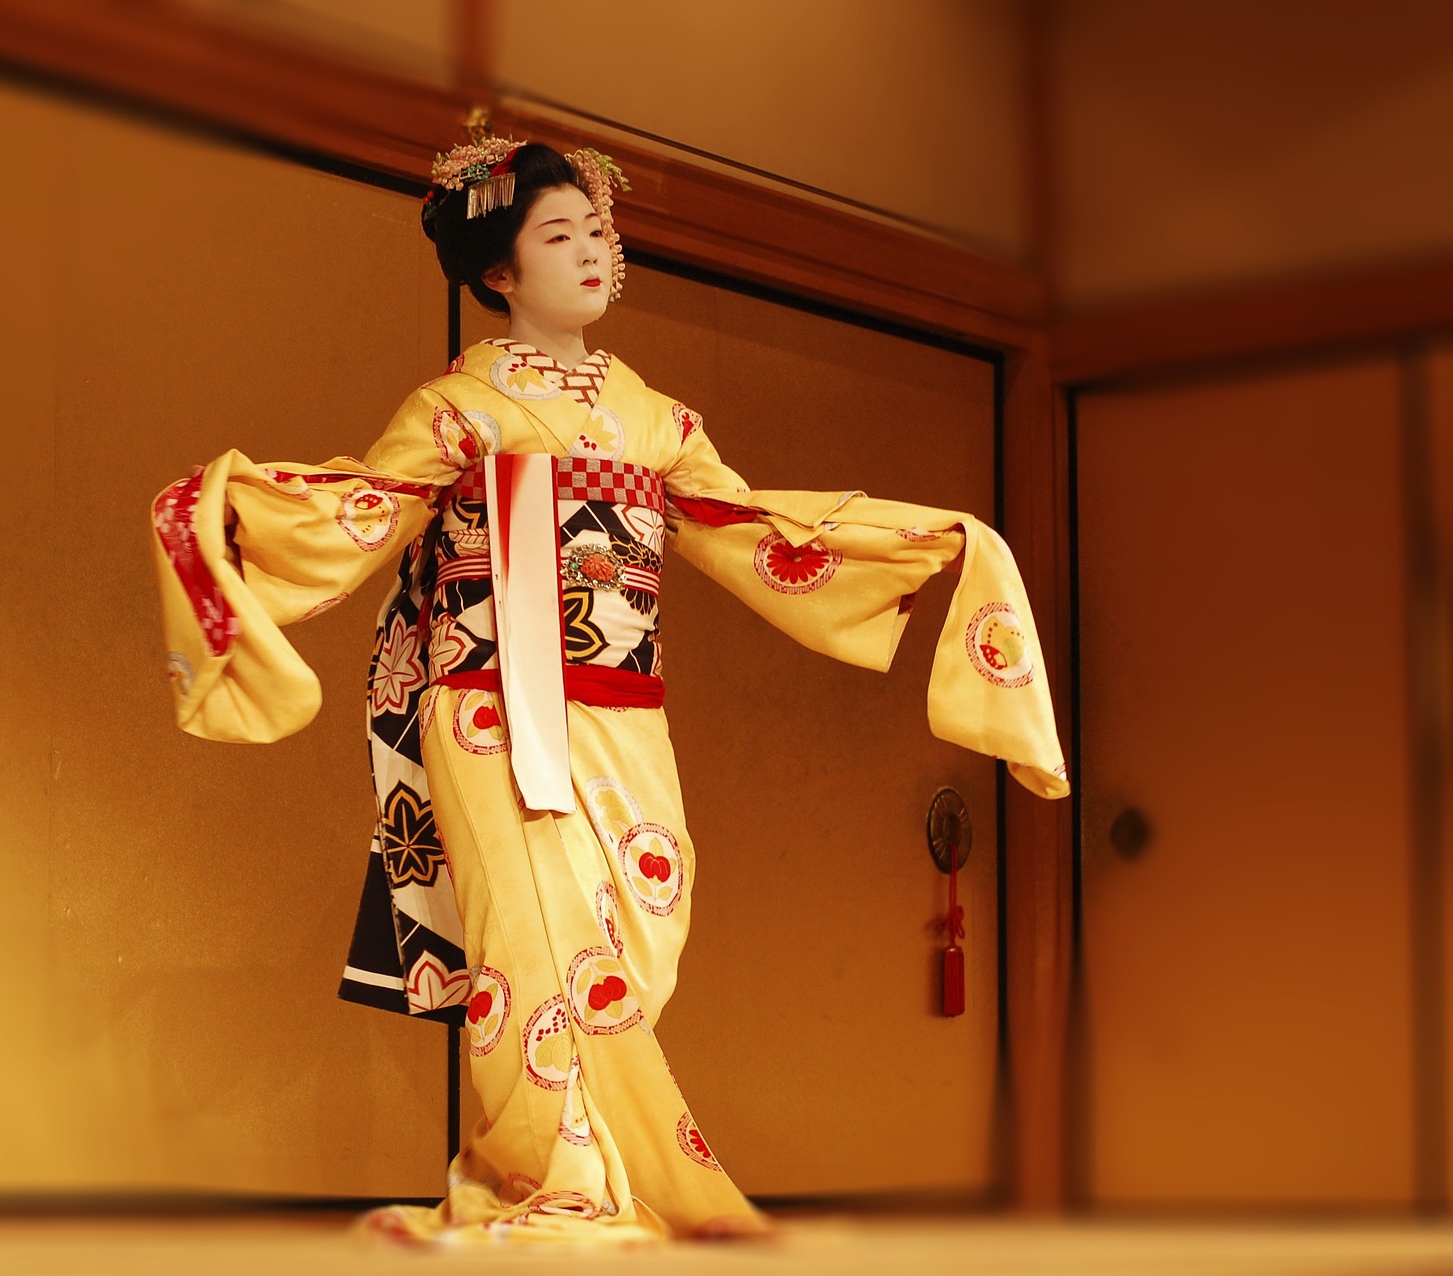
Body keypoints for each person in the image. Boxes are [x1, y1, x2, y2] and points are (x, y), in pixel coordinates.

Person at [151, 127, 1067, 1247]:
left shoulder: (658, 417)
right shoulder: (457, 408)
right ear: (499, 269)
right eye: (558, 233)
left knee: (639, 928)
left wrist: (933, 543)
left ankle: (543, 1161)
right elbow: (362, 506)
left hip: (623, 705)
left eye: (600, 230)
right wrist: (229, 516)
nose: (592, 251)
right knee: (536, 939)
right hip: (490, 703)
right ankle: (564, 1179)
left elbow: (750, 527)